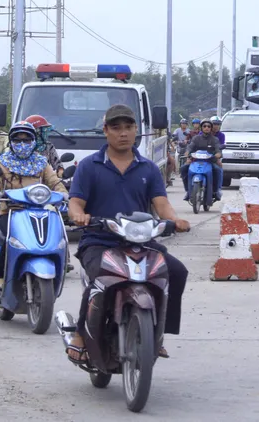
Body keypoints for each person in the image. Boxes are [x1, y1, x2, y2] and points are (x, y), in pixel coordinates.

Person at [65, 104, 191, 361]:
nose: (123, 133)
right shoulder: (89, 166)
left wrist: (175, 220)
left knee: (176, 271)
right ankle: (80, 333)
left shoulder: (148, 169)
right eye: (116, 128)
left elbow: (161, 204)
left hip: (141, 241)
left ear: (136, 131)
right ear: (105, 131)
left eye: (128, 127)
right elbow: (75, 202)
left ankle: (158, 335)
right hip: (100, 241)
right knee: (100, 278)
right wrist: (78, 214)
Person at [0, 121, 68, 287]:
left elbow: (53, 181)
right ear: (11, 141)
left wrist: (63, 192)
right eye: (17, 140)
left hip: (39, 211)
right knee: (10, 239)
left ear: (34, 142)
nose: (22, 144)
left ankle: (62, 263)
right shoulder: (3, 162)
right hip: (11, 212)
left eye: (26, 140)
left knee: (59, 234)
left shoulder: (41, 163)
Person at [180, 119, 223, 201]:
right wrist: (187, 154)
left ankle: (217, 191)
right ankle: (188, 191)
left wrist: (217, 156)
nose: (206, 128)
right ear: (201, 128)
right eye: (204, 126)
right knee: (183, 168)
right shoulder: (196, 138)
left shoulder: (215, 139)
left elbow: (218, 151)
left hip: (209, 162)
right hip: (195, 161)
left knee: (218, 170)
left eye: (208, 126)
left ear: (211, 128)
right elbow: (190, 147)